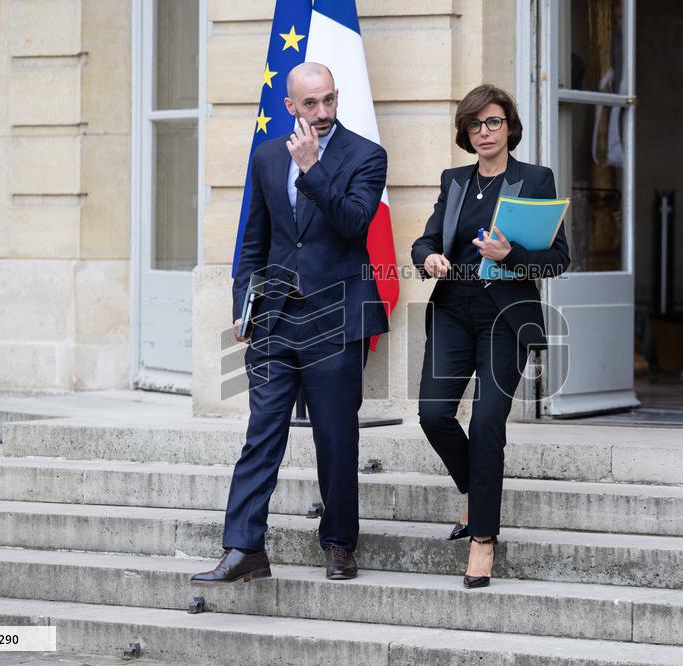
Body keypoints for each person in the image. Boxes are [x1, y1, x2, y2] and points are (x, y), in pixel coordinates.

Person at [191, 62, 388, 585]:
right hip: (275, 320)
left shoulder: (366, 155)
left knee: (335, 439)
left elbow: (352, 223)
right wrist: (244, 305)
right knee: (262, 434)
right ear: (290, 107)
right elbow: (253, 239)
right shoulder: (266, 155)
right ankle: (244, 548)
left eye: (328, 101)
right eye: (310, 104)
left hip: (334, 319)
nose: (322, 113)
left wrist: (313, 168)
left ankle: (340, 543)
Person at [410, 84, 569, 588]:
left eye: (493, 122)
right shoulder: (454, 180)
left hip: (506, 316)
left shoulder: (534, 179)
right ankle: (476, 494)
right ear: (465, 132)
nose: (484, 132)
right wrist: (427, 257)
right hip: (454, 310)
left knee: (487, 423)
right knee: (433, 414)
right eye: (475, 124)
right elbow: (426, 239)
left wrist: (511, 258)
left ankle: (482, 538)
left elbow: (559, 258)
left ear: (509, 127)